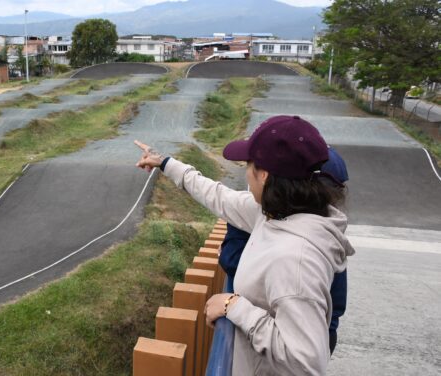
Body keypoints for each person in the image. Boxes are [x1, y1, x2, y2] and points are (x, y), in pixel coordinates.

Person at [135, 115, 355, 375]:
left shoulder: (294, 259)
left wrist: (234, 306)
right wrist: (165, 163)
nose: (245, 173)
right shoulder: (276, 212)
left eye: (247, 165)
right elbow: (219, 196)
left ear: (263, 174)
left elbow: (306, 362)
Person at [219, 147, 350, 355]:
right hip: (321, 334)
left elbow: (232, 259)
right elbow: (338, 300)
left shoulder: (300, 245)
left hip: (271, 339)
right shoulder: (327, 234)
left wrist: (231, 304)